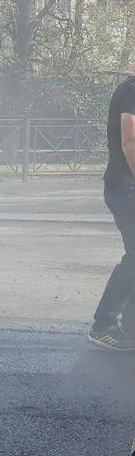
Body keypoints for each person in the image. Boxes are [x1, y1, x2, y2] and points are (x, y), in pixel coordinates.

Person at [90, 73, 135, 351]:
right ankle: (103, 325)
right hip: (126, 188)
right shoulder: (132, 91)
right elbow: (130, 141)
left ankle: (130, 324)